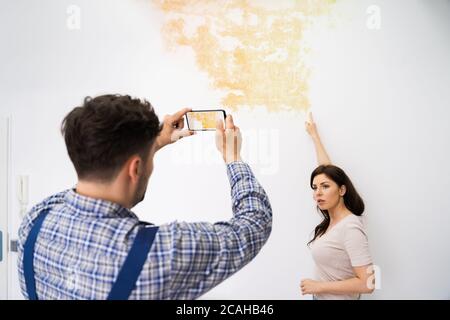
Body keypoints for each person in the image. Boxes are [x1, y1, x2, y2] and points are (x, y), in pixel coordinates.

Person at [17, 94, 272, 300]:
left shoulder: (35, 221)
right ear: (135, 168)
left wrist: (154, 143)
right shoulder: (160, 254)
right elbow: (253, 226)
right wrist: (232, 157)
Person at [300, 113, 374, 300]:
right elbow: (328, 171)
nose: (318, 192)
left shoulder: (350, 227)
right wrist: (315, 137)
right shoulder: (333, 222)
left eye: (325, 187)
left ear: (342, 190)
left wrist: (319, 287)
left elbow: (367, 283)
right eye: (315, 188)